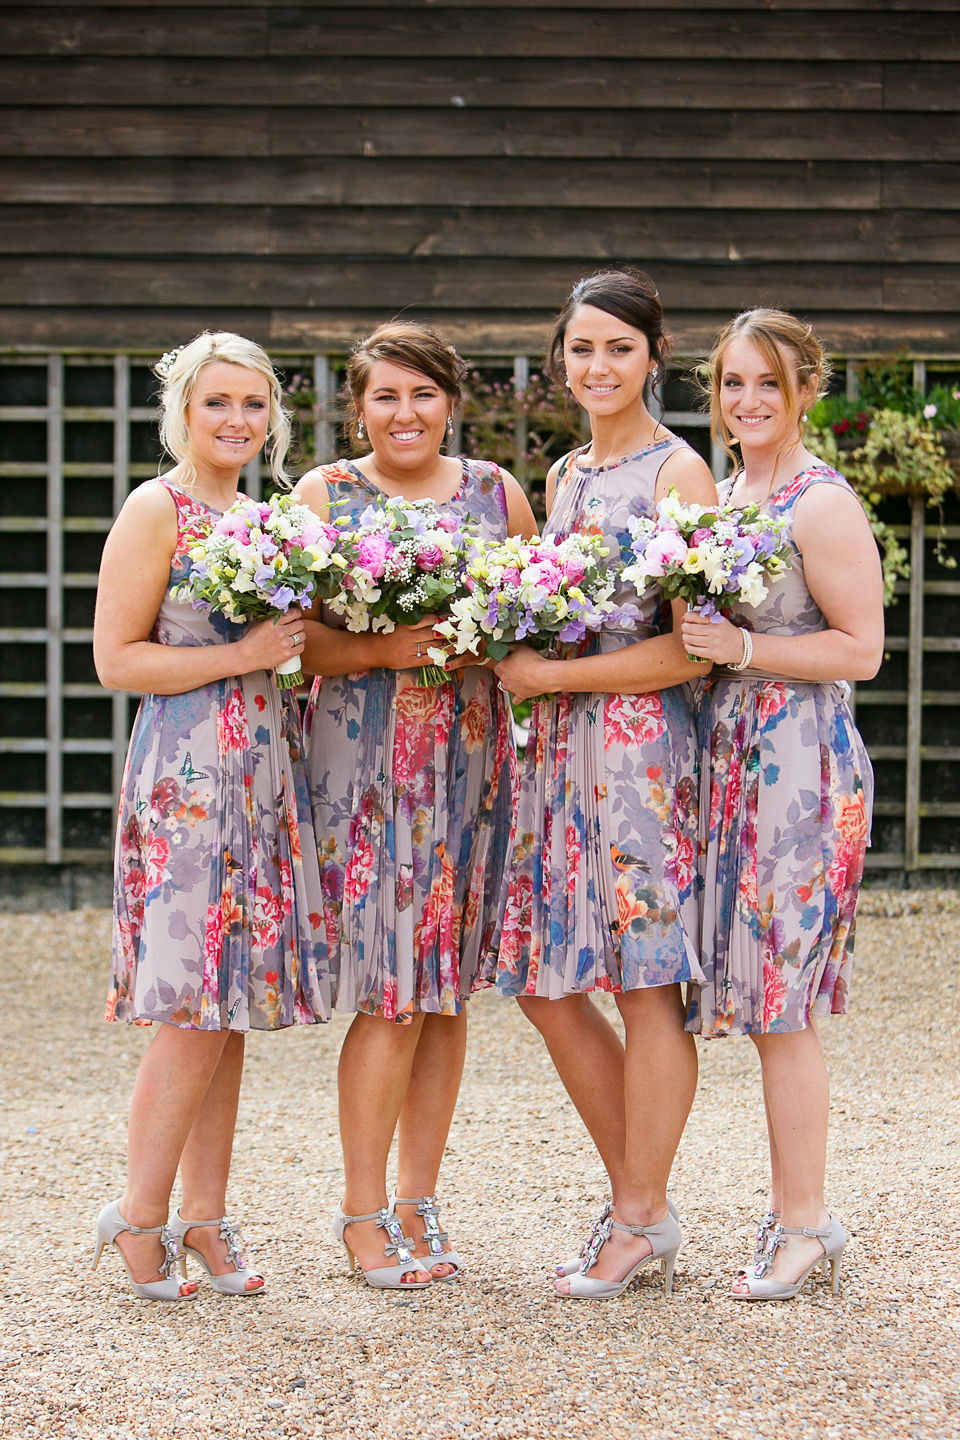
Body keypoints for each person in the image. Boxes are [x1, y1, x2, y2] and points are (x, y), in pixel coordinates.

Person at [483, 270, 717, 1299]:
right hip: (559, 759)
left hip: (642, 758)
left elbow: (693, 655)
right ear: (561, 361)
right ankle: (644, 1203)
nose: (599, 367)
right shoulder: (568, 476)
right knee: (544, 983)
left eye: (619, 348)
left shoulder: (682, 477)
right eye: (582, 349)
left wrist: (552, 676)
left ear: (653, 359)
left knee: (643, 983)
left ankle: (633, 1219)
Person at [292, 321, 537, 1289]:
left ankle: (416, 1201)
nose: (406, 413)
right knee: (394, 992)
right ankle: (359, 1213)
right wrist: (384, 651)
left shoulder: (495, 494)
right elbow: (292, 640)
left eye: (424, 394)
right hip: (365, 760)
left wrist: (496, 641)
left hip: (472, 758)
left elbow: (534, 618)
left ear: (451, 402)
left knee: (445, 995)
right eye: (386, 396)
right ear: (360, 407)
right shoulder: (323, 495)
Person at [92, 332, 330, 1300]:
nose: (236, 421)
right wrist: (245, 655)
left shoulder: (271, 520)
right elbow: (119, 660)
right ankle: (140, 1221)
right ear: (183, 411)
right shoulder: (157, 510)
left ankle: (207, 1217)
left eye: (253, 405)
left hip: (263, 771)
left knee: (227, 1009)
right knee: (191, 1006)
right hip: (188, 773)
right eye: (217, 403)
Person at [681, 308, 883, 1301]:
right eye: (731, 383)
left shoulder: (819, 502)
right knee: (757, 999)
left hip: (797, 761)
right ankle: (799, 1217)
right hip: (729, 754)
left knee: (780, 1004)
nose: (748, 400)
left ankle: (802, 1224)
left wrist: (744, 650)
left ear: (806, 390)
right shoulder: (722, 494)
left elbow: (860, 650)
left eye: (768, 382)